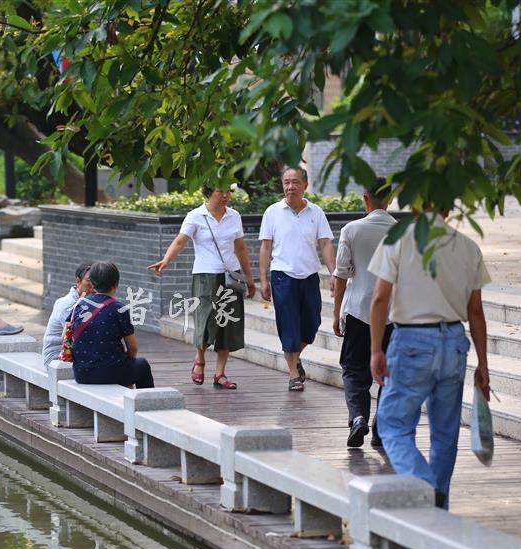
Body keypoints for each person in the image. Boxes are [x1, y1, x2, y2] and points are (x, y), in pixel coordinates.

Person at [369, 206, 491, 510]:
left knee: (392, 423)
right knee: (445, 433)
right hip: (454, 341)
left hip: (411, 340)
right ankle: (438, 504)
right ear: (449, 207)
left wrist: (375, 350)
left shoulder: (398, 240)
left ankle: (424, 486)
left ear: (413, 206)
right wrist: (484, 364)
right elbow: (475, 311)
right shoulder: (467, 246)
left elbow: (380, 298)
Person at [149, 185, 255, 389]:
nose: (226, 195)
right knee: (205, 320)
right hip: (205, 275)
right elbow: (180, 241)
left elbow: (240, 247)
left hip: (230, 277)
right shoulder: (196, 216)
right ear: (208, 193)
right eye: (220, 191)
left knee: (228, 324)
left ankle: (220, 374)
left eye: (228, 191)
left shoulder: (234, 216)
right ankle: (199, 358)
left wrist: (249, 278)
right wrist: (166, 260)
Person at [259, 166, 336, 391]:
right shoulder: (272, 212)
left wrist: (334, 273)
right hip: (282, 275)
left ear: (305, 185)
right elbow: (265, 247)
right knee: (289, 325)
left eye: (295, 182)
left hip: (310, 275)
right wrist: (263, 279)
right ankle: (293, 373)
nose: (290, 187)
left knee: (312, 323)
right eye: (286, 182)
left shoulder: (316, 212)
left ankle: (295, 358)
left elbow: (325, 244)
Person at [332, 178, 396, 448]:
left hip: (358, 311)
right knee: (388, 373)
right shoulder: (402, 232)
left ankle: (358, 416)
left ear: (365, 199)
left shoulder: (352, 230)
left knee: (353, 369)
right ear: (390, 200)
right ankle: (381, 425)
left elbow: (341, 276)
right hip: (393, 314)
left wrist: (336, 314)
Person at [71, 261, 154, 389]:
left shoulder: (79, 305)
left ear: (92, 284)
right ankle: (146, 407)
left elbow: (66, 335)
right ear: (116, 284)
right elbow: (133, 348)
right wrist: (127, 361)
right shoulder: (119, 309)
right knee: (142, 365)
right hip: (111, 372)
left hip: (82, 374)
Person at [42, 263, 93, 367]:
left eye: (96, 281)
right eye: (89, 281)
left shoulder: (87, 302)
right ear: (78, 281)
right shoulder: (68, 304)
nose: (93, 285)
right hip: (55, 359)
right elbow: (77, 338)